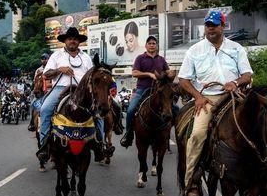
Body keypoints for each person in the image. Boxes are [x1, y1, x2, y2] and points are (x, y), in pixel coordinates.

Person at [177, 10, 256, 196]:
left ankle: (264, 176)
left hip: (234, 96)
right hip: (208, 99)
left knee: (260, 125)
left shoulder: (236, 48)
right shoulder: (194, 50)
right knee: (196, 134)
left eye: (214, 25)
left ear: (223, 26)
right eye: (207, 25)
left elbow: (247, 75)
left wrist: (236, 83)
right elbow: (183, 80)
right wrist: (197, 96)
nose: (210, 29)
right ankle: (192, 181)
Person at [37, 27, 104, 163]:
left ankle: (99, 144)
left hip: (83, 90)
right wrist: (59, 70)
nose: (72, 41)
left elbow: (92, 76)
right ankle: (44, 145)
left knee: (99, 112)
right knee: (45, 109)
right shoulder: (56, 55)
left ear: (79, 42)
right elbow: (46, 74)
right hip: (61, 88)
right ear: (65, 41)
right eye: (70, 39)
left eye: (75, 39)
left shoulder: (85, 57)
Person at [120, 35, 171, 148]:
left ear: (156, 46)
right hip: (142, 90)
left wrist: (169, 74)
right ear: (146, 46)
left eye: (154, 43)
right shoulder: (140, 58)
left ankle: (174, 134)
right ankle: (128, 135)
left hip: (158, 91)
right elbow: (134, 73)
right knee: (130, 110)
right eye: (150, 43)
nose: (152, 45)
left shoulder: (161, 59)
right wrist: (148, 74)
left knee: (175, 109)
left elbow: (168, 72)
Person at [28, 53, 50, 131]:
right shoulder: (38, 70)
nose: (44, 60)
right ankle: (31, 123)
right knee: (32, 105)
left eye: (46, 58)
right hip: (40, 93)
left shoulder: (52, 68)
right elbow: (35, 82)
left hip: (50, 91)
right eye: (43, 59)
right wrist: (34, 90)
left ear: (49, 59)